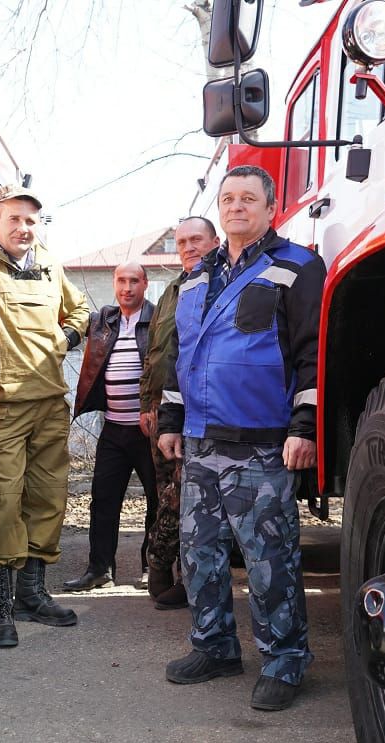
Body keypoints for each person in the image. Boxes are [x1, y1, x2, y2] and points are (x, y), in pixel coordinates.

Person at [157, 165, 325, 712]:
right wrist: (171, 420)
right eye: (228, 198)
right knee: (199, 553)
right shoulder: (196, 277)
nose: (236, 206)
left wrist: (305, 427)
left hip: (261, 442)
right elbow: (181, 354)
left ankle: (285, 661)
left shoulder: (297, 266)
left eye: (248, 198)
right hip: (201, 441)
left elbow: (312, 353)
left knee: (269, 558)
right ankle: (214, 647)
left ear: (271, 208)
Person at [0, 184, 90, 648]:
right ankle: (0, 606)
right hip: (2, 404)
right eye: (14, 219)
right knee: (3, 504)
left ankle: (31, 593)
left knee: (48, 498)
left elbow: (80, 310)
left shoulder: (49, 264)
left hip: (50, 403)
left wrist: (66, 338)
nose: (23, 228)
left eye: (31, 221)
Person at [138, 217, 220, 610]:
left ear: (214, 242)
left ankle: (177, 572)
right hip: (163, 409)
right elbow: (156, 352)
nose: (188, 247)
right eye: (181, 241)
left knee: (186, 495)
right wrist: (147, 404)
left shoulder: (221, 282)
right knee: (165, 492)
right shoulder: (172, 290)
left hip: (198, 408)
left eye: (196, 240)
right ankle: (164, 571)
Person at [64, 262, 158, 592]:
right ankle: (99, 570)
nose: (127, 288)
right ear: (114, 283)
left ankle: (154, 568)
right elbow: (71, 320)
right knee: (103, 500)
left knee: (157, 501)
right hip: (113, 429)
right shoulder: (103, 320)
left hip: (150, 432)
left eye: (134, 281)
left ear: (145, 284)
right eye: (121, 281)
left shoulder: (159, 319)